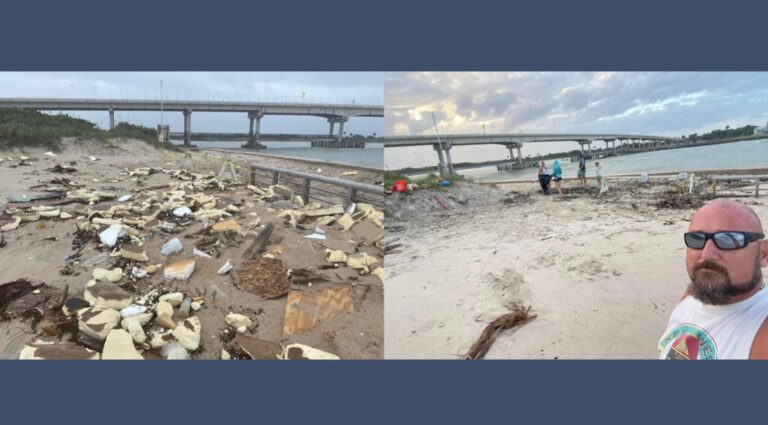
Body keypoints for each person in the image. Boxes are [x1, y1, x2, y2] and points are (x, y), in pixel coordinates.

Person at [658, 200, 768, 359]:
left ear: (763, 253)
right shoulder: (692, 295)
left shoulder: (761, 331)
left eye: (729, 239)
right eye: (696, 239)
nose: (707, 254)